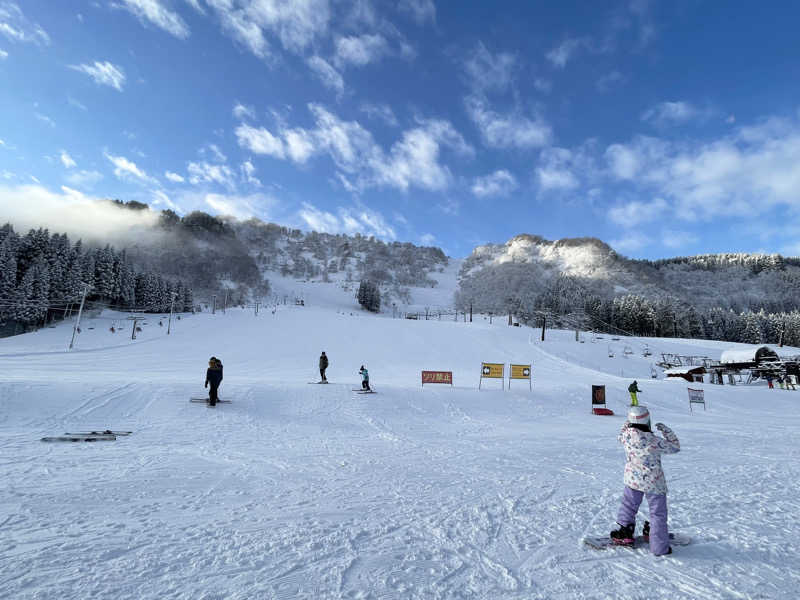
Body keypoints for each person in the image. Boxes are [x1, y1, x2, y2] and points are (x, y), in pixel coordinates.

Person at [610, 405, 680, 556]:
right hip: (654, 483)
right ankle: (659, 546)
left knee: (629, 506)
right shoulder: (653, 440)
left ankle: (625, 532)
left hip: (633, 480)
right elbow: (675, 447)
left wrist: (628, 422)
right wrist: (666, 431)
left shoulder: (626, 437)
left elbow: (621, 433)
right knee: (657, 514)